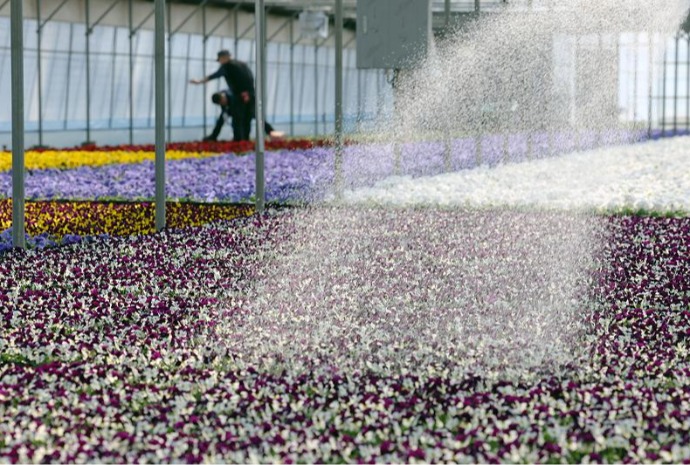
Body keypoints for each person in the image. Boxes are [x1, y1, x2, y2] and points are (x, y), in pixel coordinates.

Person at [190, 50, 256, 140]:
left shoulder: (227, 66)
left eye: (220, 60)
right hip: (250, 95)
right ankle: (245, 141)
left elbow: (215, 75)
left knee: (237, 120)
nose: (220, 62)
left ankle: (238, 142)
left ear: (224, 57)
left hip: (239, 96)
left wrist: (199, 81)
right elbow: (250, 78)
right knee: (247, 119)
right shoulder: (242, 64)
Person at [203, 90, 285, 142]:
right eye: (220, 103)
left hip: (247, 108)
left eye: (221, 101)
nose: (222, 103)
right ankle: (213, 137)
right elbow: (225, 115)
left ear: (222, 97)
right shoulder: (223, 102)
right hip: (234, 110)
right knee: (220, 121)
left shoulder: (233, 96)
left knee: (253, 119)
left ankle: (271, 132)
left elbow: (239, 117)